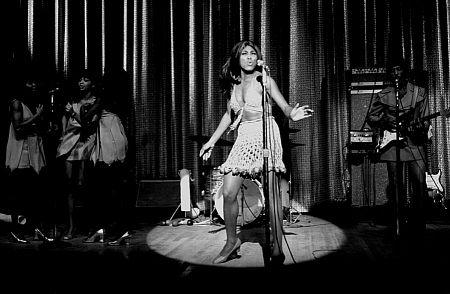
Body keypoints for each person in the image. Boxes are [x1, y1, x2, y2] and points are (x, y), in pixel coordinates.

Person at [199, 40, 313, 265]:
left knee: (271, 194)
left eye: (253, 53)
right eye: (244, 54)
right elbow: (229, 115)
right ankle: (232, 242)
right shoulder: (234, 84)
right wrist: (211, 141)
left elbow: (285, 108)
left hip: (266, 132)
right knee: (229, 192)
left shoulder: (265, 80)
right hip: (243, 137)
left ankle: (277, 248)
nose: (249, 57)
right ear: (237, 58)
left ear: (258, 58)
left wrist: (292, 114)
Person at [366, 56, 430, 237]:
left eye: (399, 69)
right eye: (393, 70)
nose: (396, 73)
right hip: (393, 144)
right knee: (396, 186)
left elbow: (424, 120)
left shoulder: (419, 92)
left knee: (419, 183)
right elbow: (371, 118)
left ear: (405, 71)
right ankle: (398, 225)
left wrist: (419, 126)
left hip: (413, 142)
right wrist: (383, 120)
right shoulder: (384, 94)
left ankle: (419, 227)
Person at [82, 66, 131, 245]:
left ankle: (114, 231)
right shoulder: (119, 96)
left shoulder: (105, 96)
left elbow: (88, 116)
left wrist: (77, 109)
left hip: (109, 139)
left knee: (107, 187)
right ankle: (108, 230)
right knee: (111, 187)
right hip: (114, 135)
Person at [5, 74, 54, 243]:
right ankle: (15, 231)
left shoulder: (35, 103)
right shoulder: (16, 103)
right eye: (29, 82)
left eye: (35, 81)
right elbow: (18, 128)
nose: (33, 85)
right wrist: (37, 116)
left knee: (35, 196)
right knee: (18, 197)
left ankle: (37, 229)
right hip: (20, 157)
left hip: (34, 156)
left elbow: (36, 129)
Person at [55, 71, 99, 240]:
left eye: (86, 79)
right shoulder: (73, 99)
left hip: (85, 140)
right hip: (69, 139)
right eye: (79, 79)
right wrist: (62, 134)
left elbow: (88, 124)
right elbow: (64, 118)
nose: (81, 82)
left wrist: (74, 114)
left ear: (92, 84)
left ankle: (88, 225)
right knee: (69, 186)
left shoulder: (94, 101)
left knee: (83, 184)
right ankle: (71, 227)